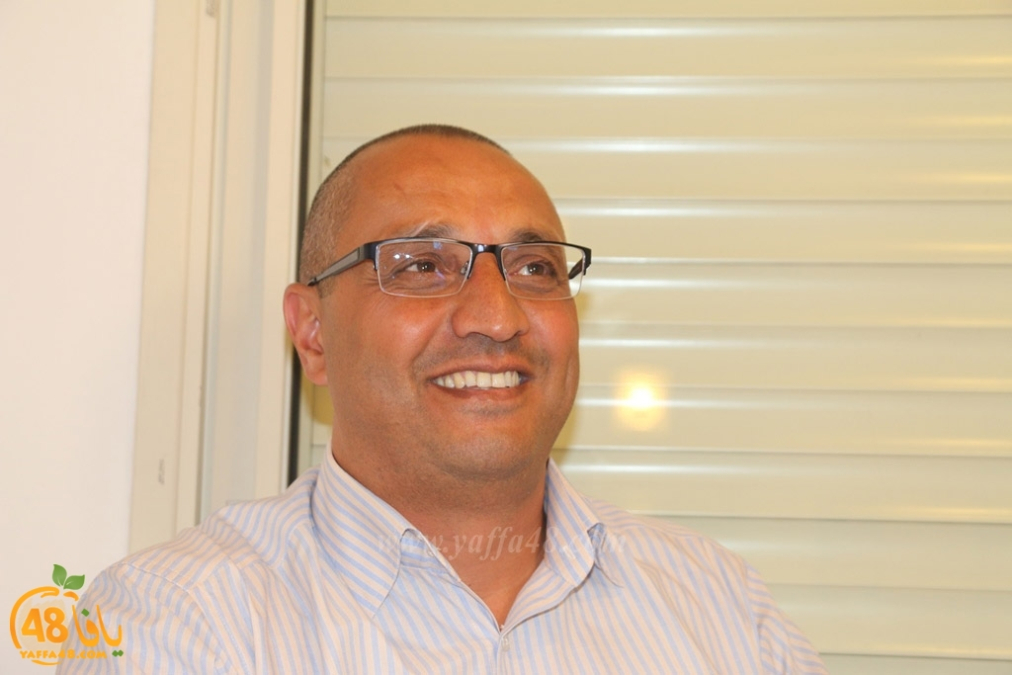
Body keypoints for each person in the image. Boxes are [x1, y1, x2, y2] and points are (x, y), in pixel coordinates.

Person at [58, 125, 827, 673]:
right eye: (423, 265)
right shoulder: (175, 625)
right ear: (313, 332)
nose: (496, 315)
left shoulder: (718, 607)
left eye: (534, 267)